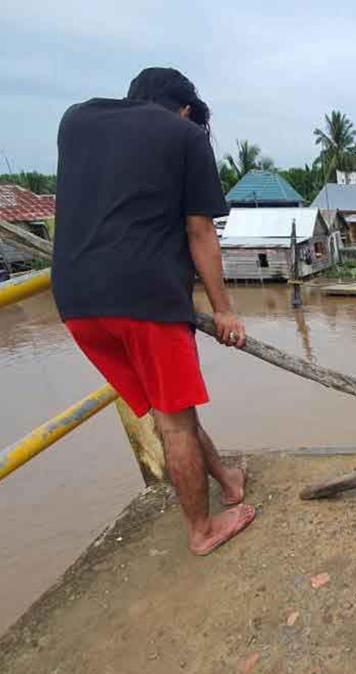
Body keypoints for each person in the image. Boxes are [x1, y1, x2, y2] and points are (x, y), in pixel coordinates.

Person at [53, 68, 254, 556]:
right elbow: (199, 231)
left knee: (172, 409)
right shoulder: (183, 135)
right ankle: (202, 531)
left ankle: (227, 482)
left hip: (76, 301)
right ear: (185, 109)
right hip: (144, 297)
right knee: (176, 421)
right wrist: (224, 311)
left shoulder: (75, 119)